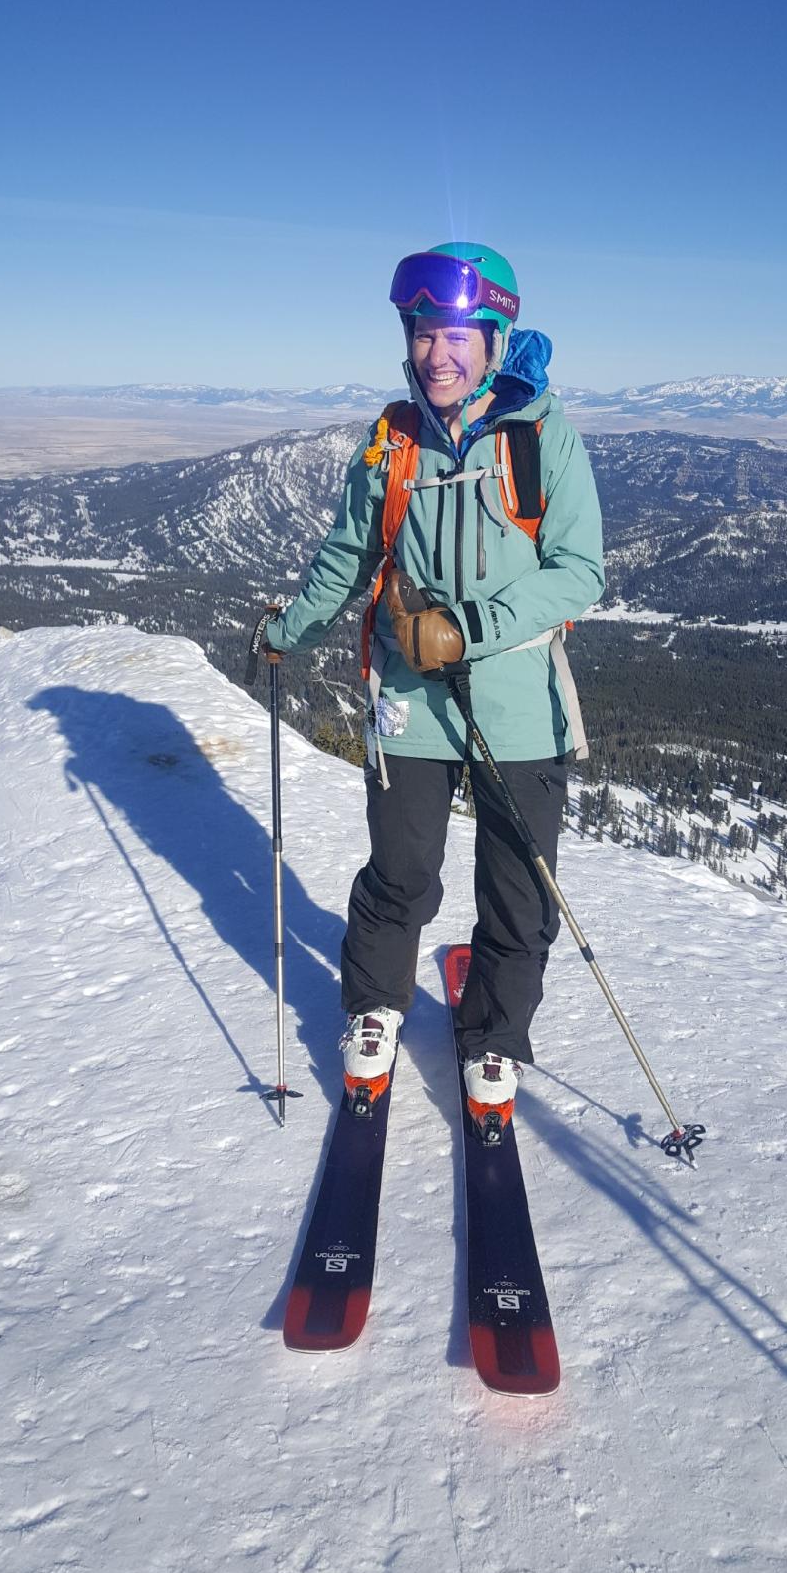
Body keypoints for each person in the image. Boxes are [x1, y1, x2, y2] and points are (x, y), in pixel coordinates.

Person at [263, 242, 604, 1135]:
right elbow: (347, 556)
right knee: (402, 873)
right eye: (422, 334)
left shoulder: (538, 435)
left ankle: (494, 1033)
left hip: (518, 702)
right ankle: (374, 1007)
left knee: (520, 887)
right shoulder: (389, 442)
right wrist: (287, 631)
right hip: (411, 701)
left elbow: (579, 572)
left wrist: (470, 626)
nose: (436, 354)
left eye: (456, 334)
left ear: (492, 340)